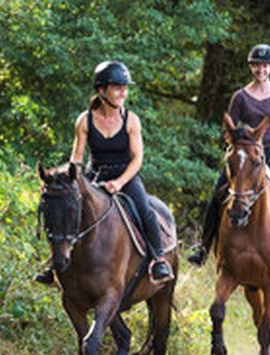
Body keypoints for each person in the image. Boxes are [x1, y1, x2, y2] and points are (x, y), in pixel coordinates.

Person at [34, 60, 174, 285]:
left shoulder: (131, 120)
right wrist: (71, 180)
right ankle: (55, 262)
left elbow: (137, 159)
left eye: (125, 87)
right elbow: (77, 159)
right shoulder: (85, 120)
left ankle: (158, 259)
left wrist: (119, 183)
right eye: (118, 87)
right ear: (101, 90)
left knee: (145, 210)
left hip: (125, 176)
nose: (123, 92)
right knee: (67, 207)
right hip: (94, 174)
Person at [188, 43, 270, 266]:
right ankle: (203, 246)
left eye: (266, 66)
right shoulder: (240, 96)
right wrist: (235, 144)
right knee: (218, 194)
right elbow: (229, 128)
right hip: (245, 155)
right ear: (251, 67)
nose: (261, 70)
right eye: (257, 65)